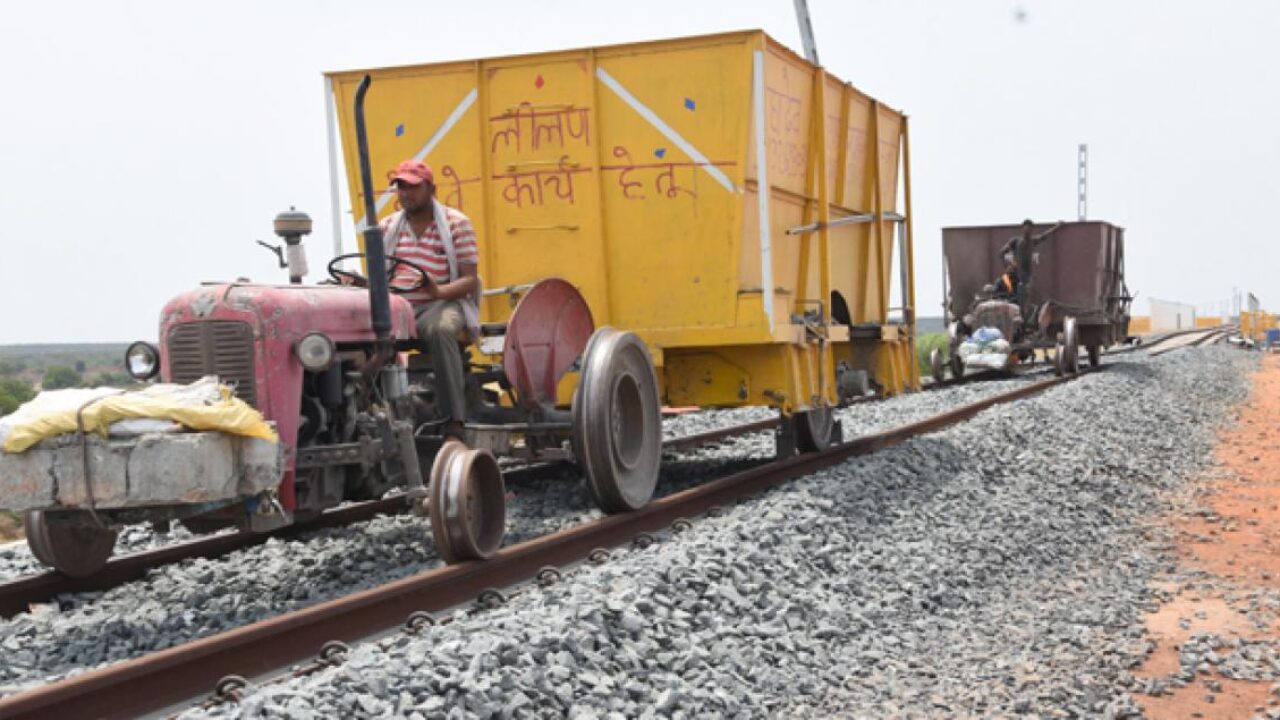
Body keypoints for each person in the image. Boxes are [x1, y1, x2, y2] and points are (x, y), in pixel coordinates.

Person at [380, 159, 481, 440]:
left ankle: (454, 421)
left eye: (413, 187)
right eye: (400, 187)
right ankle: (376, 411)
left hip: (440, 302)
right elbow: (379, 276)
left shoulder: (456, 224)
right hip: (397, 306)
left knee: (441, 329)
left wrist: (437, 291)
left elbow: (470, 280)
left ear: (431, 189)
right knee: (360, 334)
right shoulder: (387, 228)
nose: (405, 194)